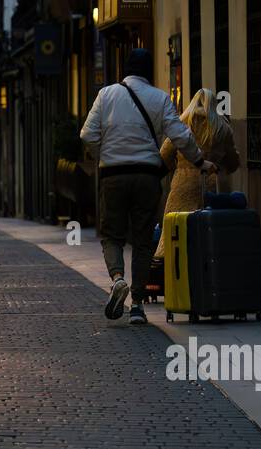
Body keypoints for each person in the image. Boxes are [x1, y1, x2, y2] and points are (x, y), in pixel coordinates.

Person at [80, 48, 216, 324]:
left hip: (113, 176)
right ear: (149, 71)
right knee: (142, 241)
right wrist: (200, 162)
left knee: (111, 235)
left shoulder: (106, 95)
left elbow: (87, 134)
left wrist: (102, 156)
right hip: (147, 176)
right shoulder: (160, 98)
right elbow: (180, 135)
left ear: (125, 70)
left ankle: (118, 278)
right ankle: (138, 305)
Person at [154, 88, 241, 260]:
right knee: (206, 237)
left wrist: (177, 166)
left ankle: (176, 277)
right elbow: (233, 163)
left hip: (182, 187)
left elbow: (164, 156)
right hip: (210, 189)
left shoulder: (182, 124)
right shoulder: (222, 128)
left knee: (175, 233)